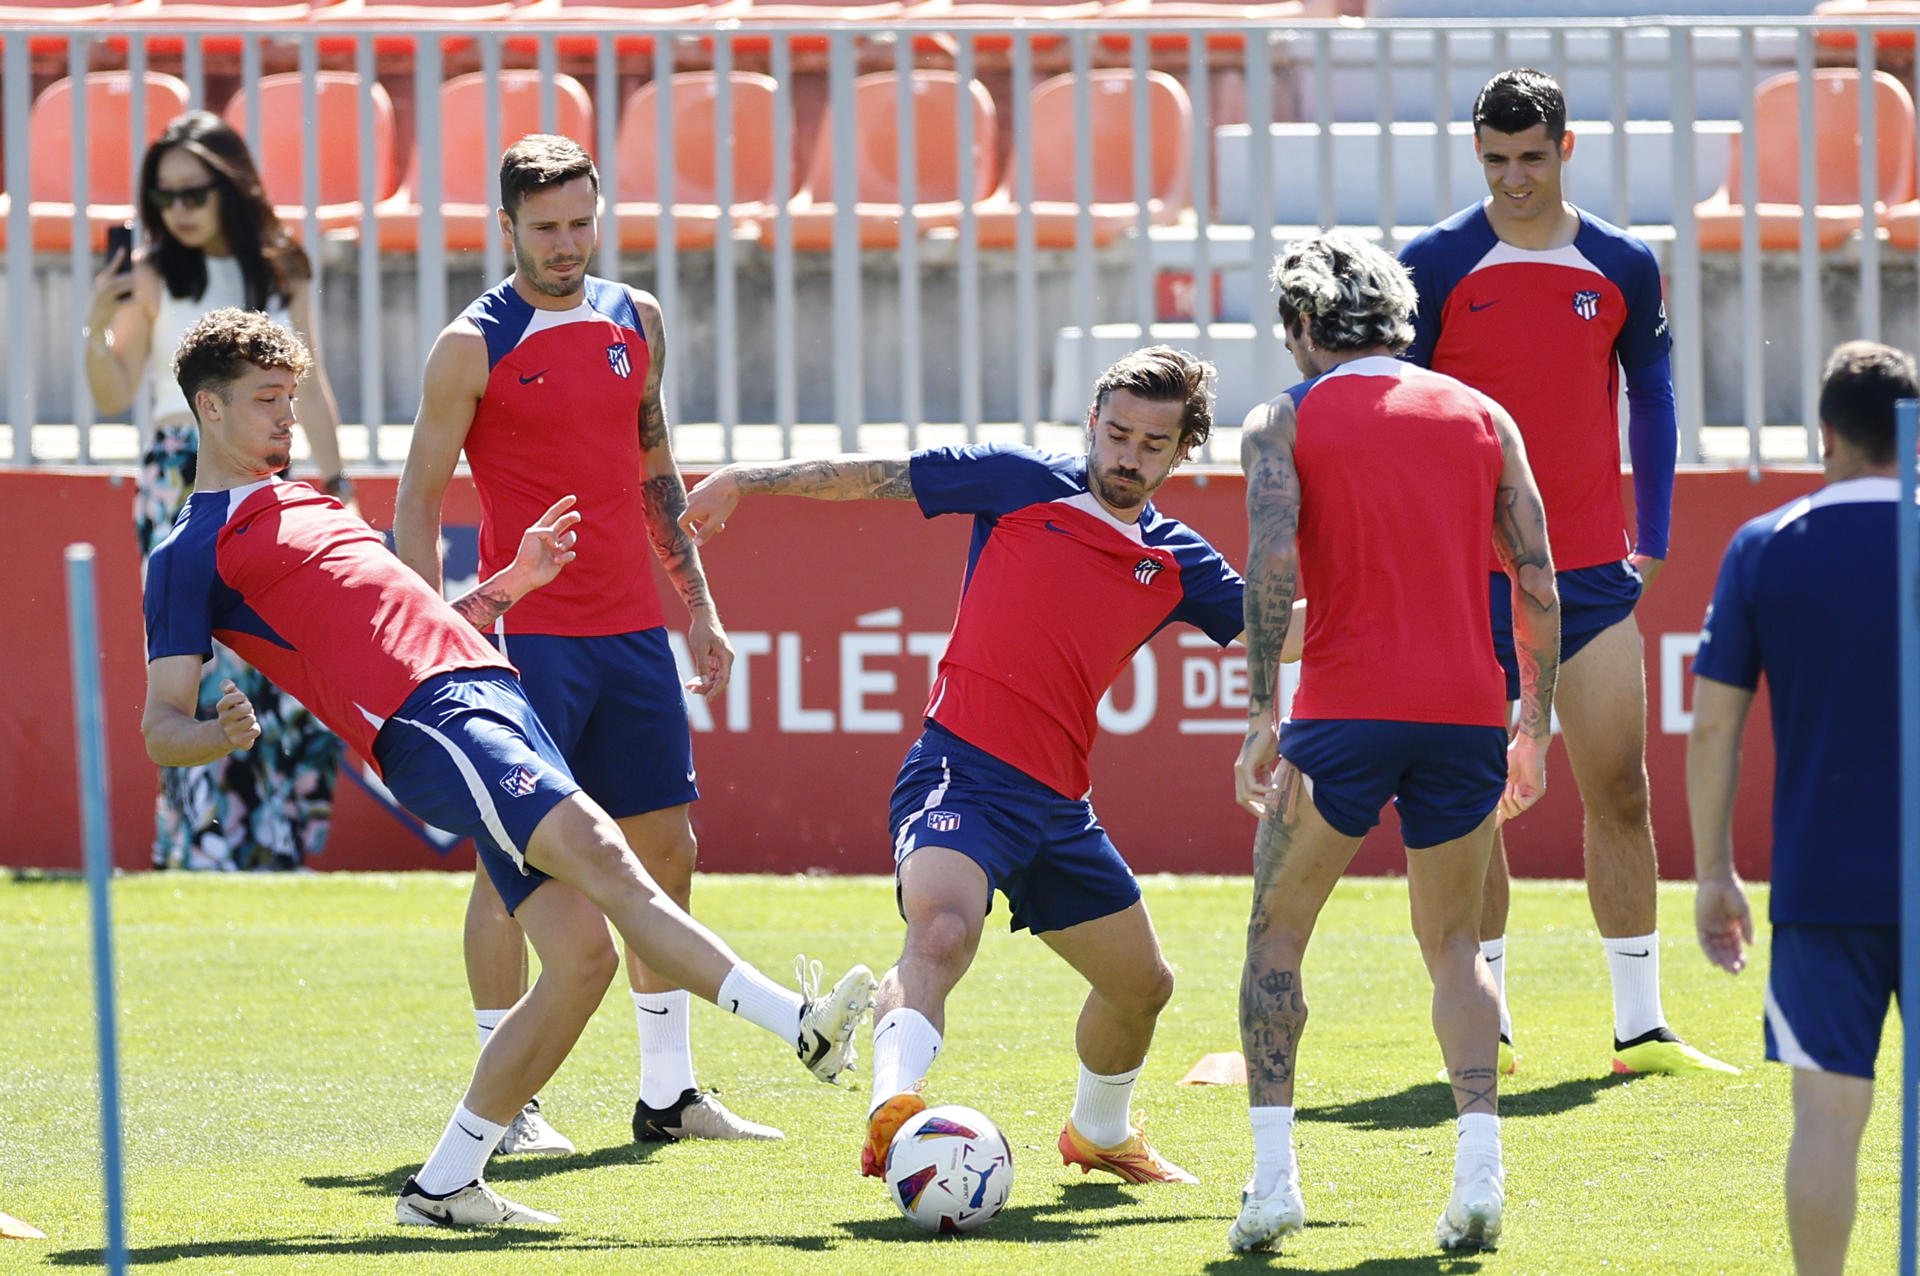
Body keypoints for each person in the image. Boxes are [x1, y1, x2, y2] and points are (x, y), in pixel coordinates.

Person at [141, 307, 876, 1227]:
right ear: (208, 410)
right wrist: (219, 732)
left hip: (486, 687)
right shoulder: (187, 550)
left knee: (580, 959)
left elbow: (418, 624)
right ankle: (798, 1026)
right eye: (266, 402)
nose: (289, 419)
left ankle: (445, 1184)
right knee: (610, 858)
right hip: (432, 723)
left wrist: (512, 585)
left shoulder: (313, 503)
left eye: (291, 397)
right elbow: (159, 725)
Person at [680, 346, 1244, 1187]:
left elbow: (1277, 632)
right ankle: (892, 1108)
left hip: (1060, 808)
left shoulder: (1176, 560)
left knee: (1142, 987)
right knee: (942, 930)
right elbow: (876, 475)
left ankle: (1099, 1132)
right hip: (961, 770)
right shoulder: (1019, 480)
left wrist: (1398, 613)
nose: (1128, 455)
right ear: (1092, 422)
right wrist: (750, 479)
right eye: (1117, 432)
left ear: (1182, 451)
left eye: (1152, 444)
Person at [395, 134, 772, 1157]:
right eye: (545, 226)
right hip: (529, 641)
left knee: (666, 855)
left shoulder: (633, 317)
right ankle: (507, 1100)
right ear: (506, 226)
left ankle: (668, 1090)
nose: (566, 244)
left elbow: (656, 468)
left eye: (580, 222)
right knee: (514, 871)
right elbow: (417, 505)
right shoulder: (469, 345)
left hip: (631, 630)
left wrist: (699, 602)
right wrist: (433, 639)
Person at [1228, 232, 1560, 1255]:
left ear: (1300, 325)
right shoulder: (1482, 416)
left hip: (1344, 710)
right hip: (1464, 709)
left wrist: (1259, 708)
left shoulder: (1283, 418)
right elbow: (1540, 579)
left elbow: (1273, 561)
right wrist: (1533, 720)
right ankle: (1479, 1175)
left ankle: (1274, 1182)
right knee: (1455, 948)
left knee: (1276, 939)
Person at [1398, 67, 1733, 1077]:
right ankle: (1486, 1024)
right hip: (1467, 578)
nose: (1514, 179)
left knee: (1619, 788)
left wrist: (1657, 533)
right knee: (1471, 799)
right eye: (1495, 161)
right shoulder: (1435, 264)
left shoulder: (1623, 263)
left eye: (1531, 158)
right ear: (1476, 154)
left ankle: (1640, 1027)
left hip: (1588, 571)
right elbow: (1394, 415)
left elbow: (1656, 394)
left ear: (1566, 148)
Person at [1688, 341, 1913, 1276]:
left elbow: (1714, 732)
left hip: (1822, 882)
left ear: (1824, 436)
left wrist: (1712, 871)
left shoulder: (1766, 546)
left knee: (1827, 1114)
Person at [85, 109, 350, 873]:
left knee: (284, 655)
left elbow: (313, 383)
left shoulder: (277, 265)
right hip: (181, 472)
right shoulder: (155, 273)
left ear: (229, 186)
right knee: (196, 663)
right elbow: (111, 390)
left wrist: (336, 486)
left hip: (272, 472)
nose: (180, 209)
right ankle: (206, 849)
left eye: (195, 191)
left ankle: (278, 848)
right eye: (164, 196)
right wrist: (97, 326)